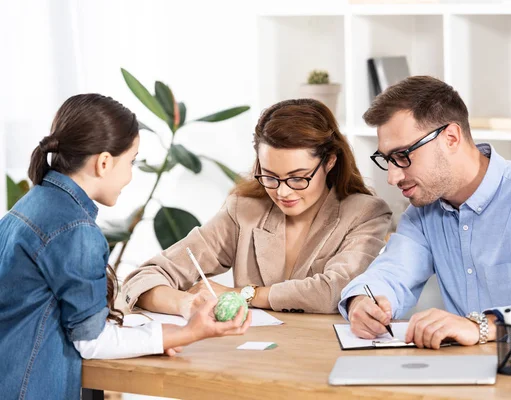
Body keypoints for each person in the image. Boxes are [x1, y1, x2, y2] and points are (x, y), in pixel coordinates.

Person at [0, 94, 251, 400]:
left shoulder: (28, 206)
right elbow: (92, 342)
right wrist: (191, 331)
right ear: (104, 162)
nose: (131, 175)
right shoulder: (76, 231)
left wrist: (157, 337)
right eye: (131, 162)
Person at [339, 76, 511, 349]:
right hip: (466, 374)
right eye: (387, 160)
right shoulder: (422, 213)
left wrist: (481, 325)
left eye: (403, 155)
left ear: (451, 138)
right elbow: (391, 274)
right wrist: (362, 302)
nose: (392, 177)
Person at [122, 98, 392, 317]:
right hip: (250, 358)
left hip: (323, 358)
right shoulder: (244, 210)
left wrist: (243, 294)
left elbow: (335, 292)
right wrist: (185, 305)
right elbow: (143, 278)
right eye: (270, 176)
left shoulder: (365, 213)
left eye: (298, 177)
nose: (283, 192)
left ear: (330, 162)